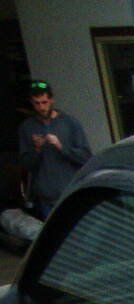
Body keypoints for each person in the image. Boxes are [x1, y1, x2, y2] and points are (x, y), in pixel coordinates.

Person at [16, 80, 91, 220]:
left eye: (44, 102)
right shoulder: (27, 127)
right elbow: (26, 165)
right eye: (36, 103)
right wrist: (37, 149)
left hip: (70, 194)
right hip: (45, 199)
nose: (41, 107)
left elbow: (86, 157)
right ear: (31, 103)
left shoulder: (69, 123)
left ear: (51, 100)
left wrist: (61, 147)